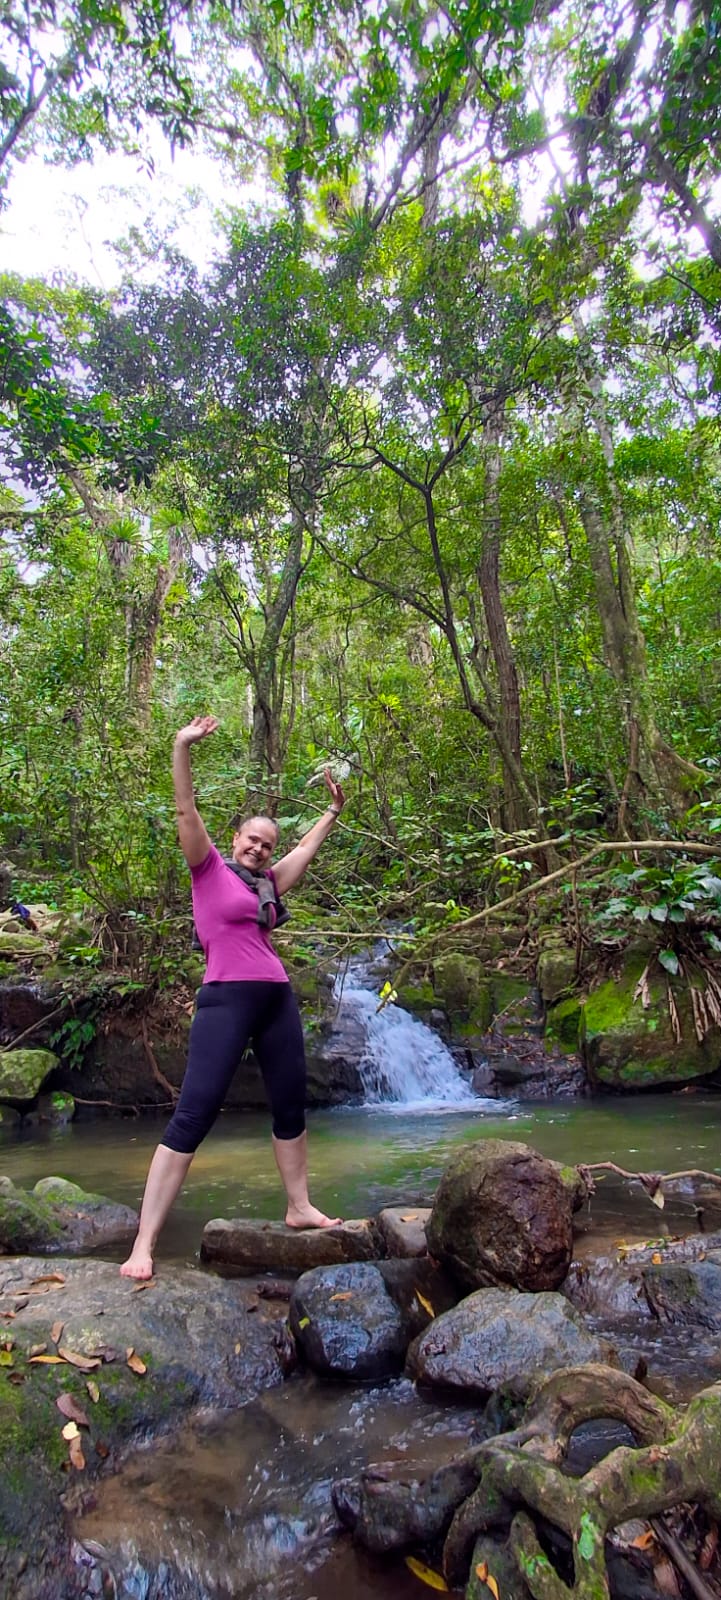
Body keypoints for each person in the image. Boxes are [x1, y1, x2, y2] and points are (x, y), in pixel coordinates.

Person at [120, 715, 345, 1280]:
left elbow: (303, 854)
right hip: (224, 998)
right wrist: (181, 747)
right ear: (236, 837)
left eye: (267, 845)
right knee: (193, 1115)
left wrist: (332, 813)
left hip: (276, 998)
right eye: (253, 839)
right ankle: (144, 1243)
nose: (261, 849)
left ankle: (298, 1207)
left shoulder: (268, 882)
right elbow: (185, 812)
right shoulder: (208, 868)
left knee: (290, 1105)